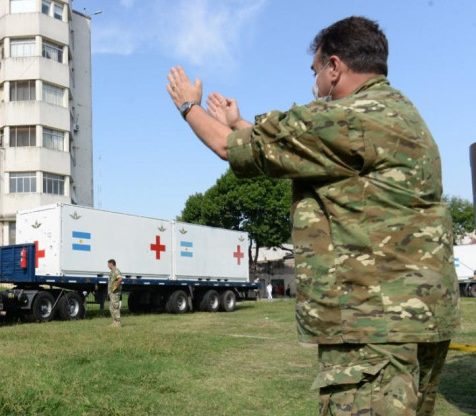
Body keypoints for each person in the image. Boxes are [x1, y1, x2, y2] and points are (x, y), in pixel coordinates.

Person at [167, 16, 460, 415]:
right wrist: (239, 123)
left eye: (317, 71)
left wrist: (189, 106)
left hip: (371, 329)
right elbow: (307, 148)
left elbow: (227, 148)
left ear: (335, 67)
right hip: (421, 320)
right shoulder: (401, 114)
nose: (314, 85)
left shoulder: (345, 118)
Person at [107, 259, 123, 327]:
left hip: (115, 293)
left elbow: (120, 279)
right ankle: (114, 322)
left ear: (111, 264)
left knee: (115, 307)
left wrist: (114, 287)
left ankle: (118, 322)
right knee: (111, 307)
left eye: (108, 264)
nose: (108, 265)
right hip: (112, 293)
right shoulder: (112, 271)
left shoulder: (116, 270)